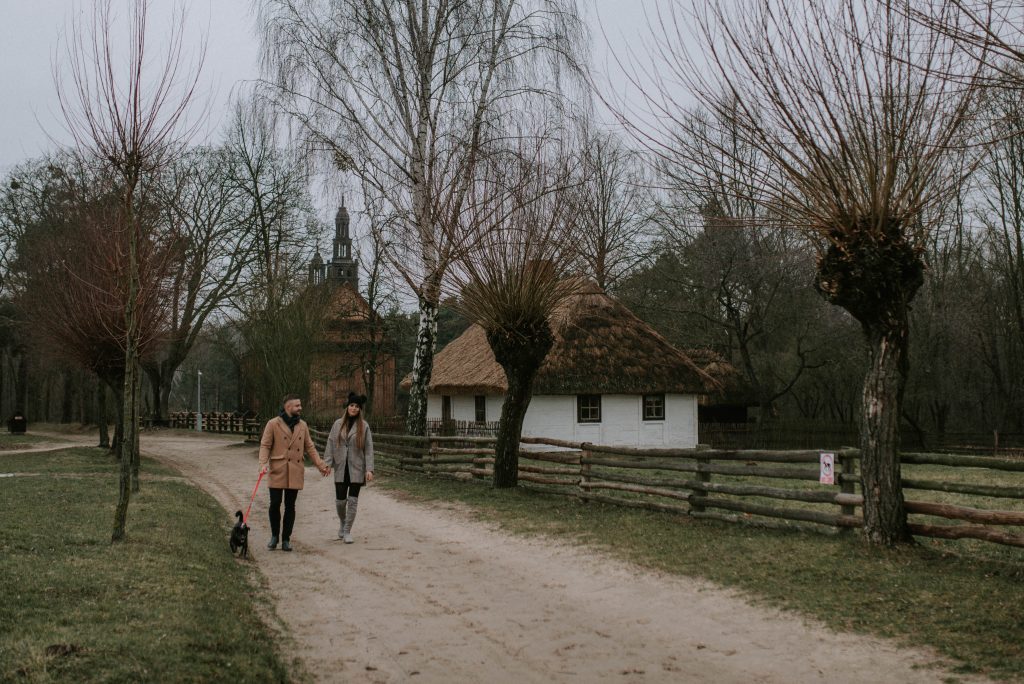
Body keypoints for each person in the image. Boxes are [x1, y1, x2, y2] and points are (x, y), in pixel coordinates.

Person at [258, 394, 330, 551]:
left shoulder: (302, 425)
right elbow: (265, 445)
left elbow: (309, 447)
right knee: (275, 504)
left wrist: (321, 465)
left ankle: (286, 539)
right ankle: (274, 536)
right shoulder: (273, 424)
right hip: (278, 468)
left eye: (300, 405)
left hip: (295, 470)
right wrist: (263, 464)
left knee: (290, 506)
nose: (300, 408)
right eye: (297, 405)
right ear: (288, 407)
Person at [323, 392, 374, 543]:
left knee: (352, 501)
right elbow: (331, 443)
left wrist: (369, 469)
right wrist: (327, 463)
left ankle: (347, 531)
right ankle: (343, 521)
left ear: (360, 409)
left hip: (356, 468)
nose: (354, 408)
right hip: (340, 467)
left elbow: (369, 448)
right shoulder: (338, 424)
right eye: (351, 405)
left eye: (357, 406)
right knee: (340, 501)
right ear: (347, 406)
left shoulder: (364, 426)